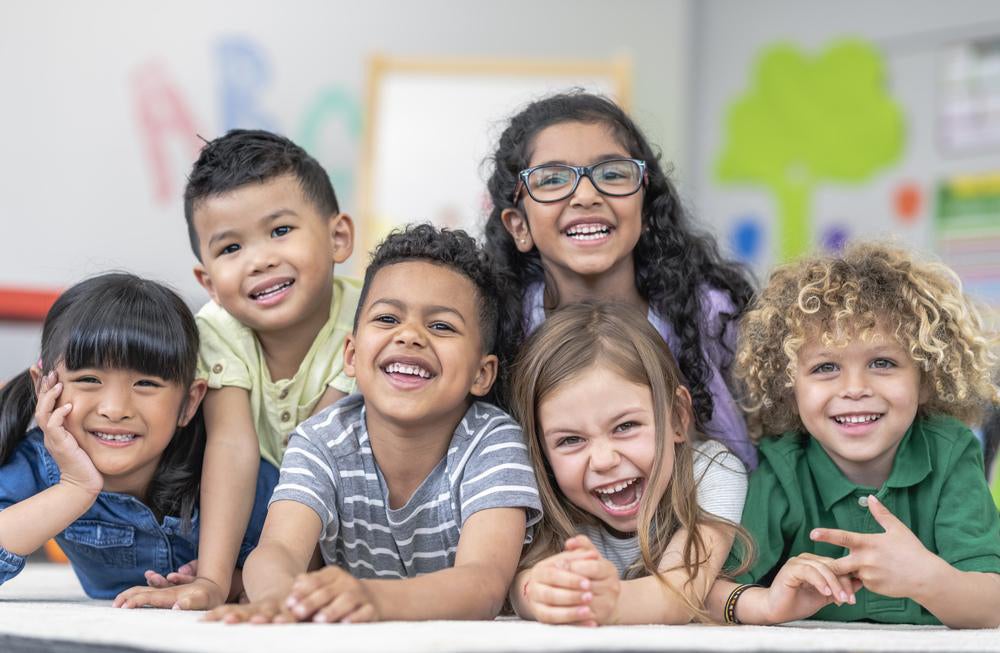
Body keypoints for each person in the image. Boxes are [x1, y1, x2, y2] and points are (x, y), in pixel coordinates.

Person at [205, 224, 542, 624]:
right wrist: (283, 598)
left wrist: (374, 599)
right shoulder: (321, 440)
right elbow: (278, 549)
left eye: (441, 326)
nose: (410, 336)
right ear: (351, 354)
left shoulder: (493, 444)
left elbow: (483, 586)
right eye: (387, 318)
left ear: (481, 374)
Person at [709, 242, 1000, 628]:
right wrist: (764, 603)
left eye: (883, 363)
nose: (855, 388)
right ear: (789, 390)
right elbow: (707, 590)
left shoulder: (949, 453)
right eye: (826, 367)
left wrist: (927, 579)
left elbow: (992, 603)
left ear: (925, 380)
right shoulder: (783, 466)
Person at [133, 130, 359, 610]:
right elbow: (232, 446)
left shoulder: (368, 315)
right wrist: (212, 581)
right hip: (254, 503)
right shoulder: (216, 329)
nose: (260, 260)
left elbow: (322, 449)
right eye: (231, 248)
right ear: (208, 281)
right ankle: (234, 574)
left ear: (338, 237)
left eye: (280, 231)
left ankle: (294, 574)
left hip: (352, 493)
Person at [484, 91, 756, 469]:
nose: (585, 195)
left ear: (646, 208)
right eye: (551, 179)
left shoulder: (708, 314)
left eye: (612, 173)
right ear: (519, 227)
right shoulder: (504, 330)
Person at [0, 273, 274, 601]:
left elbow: (307, 555)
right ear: (43, 386)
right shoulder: (37, 463)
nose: (116, 409)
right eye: (88, 379)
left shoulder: (229, 473)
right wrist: (75, 488)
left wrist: (237, 582)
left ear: (189, 402)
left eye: (146, 384)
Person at [508, 302, 749, 625]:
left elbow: (679, 593)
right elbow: (517, 584)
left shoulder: (712, 472)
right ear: (541, 450)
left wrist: (610, 603)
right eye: (570, 440)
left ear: (677, 416)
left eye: (625, 427)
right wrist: (539, 592)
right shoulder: (541, 495)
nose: (604, 460)